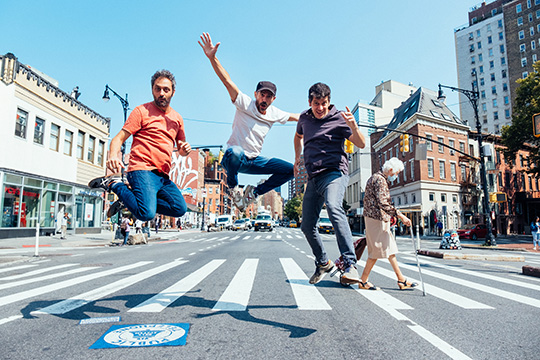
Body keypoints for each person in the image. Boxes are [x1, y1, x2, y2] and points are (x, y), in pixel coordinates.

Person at [199, 32, 299, 211]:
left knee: (291, 169)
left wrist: (327, 115)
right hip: (235, 159)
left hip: (255, 161)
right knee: (235, 152)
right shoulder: (245, 103)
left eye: (268, 97)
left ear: (273, 99)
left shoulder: (274, 112)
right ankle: (234, 188)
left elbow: (298, 116)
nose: (264, 100)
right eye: (262, 95)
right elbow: (227, 81)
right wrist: (212, 58)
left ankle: (254, 192)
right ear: (256, 95)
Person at [88, 70, 191, 222]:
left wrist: (184, 150)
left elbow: (181, 148)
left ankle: (128, 200)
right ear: (152, 90)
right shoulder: (141, 112)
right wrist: (113, 156)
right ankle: (113, 183)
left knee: (179, 208)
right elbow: (118, 139)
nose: (161, 93)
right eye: (157, 89)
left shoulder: (177, 119)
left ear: (173, 92)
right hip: (142, 170)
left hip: (162, 175)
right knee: (146, 214)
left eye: (166, 89)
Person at [294, 82, 366, 285]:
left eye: (324, 103)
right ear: (310, 102)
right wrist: (297, 158)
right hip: (313, 178)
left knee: (334, 207)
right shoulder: (304, 119)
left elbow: (361, 143)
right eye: (316, 103)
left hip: (334, 174)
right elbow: (298, 136)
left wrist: (354, 126)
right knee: (307, 226)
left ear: (329, 102)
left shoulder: (339, 119)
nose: (320, 108)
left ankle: (351, 265)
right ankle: (323, 262)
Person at [360, 157, 418, 290]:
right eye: (396, 173)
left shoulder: (375, 177)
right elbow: (383, 203)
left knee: (390, 250)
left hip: (377, 218)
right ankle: (363, 280)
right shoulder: (380, 180)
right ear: (391, 170)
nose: (396, 176)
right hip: (376, 219)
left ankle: (401, 280)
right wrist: (401, 215)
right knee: (376, 251)